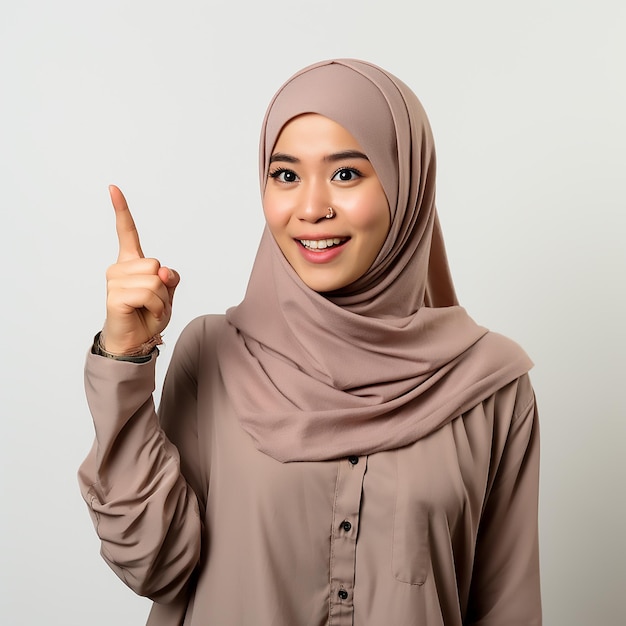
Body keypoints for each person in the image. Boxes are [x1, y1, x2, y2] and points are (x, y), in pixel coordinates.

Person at [79, 59, 542, 626]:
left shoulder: (488, 385)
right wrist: (124, 360)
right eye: (286, 175)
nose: (311, 208)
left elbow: (506, 605)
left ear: (408, 182)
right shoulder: (214, 356)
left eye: (346, 174)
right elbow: (152, 565)